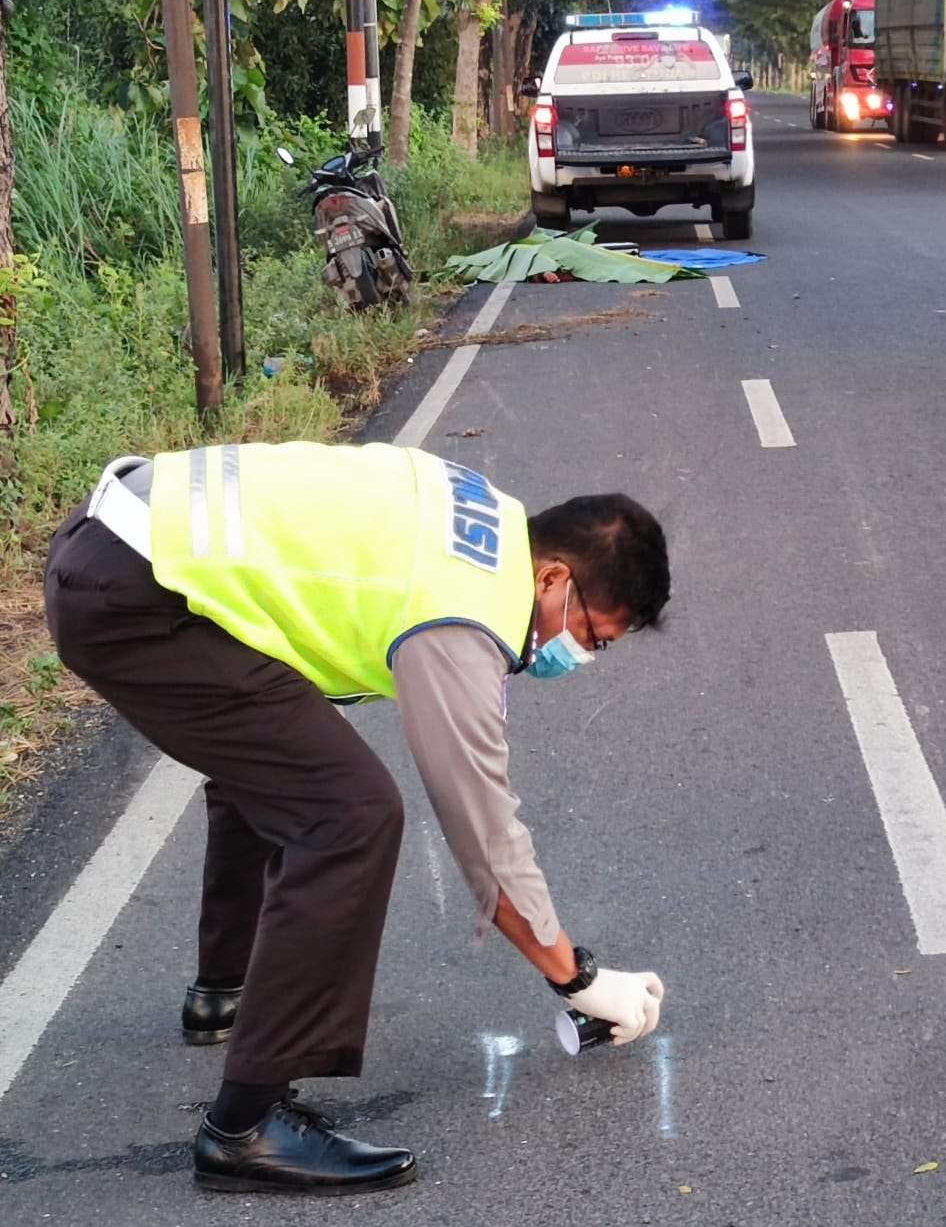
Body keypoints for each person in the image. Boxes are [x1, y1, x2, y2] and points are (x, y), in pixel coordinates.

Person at [42, 440, 671, 1197]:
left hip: (121, 541)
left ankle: (227, 989)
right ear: (554, 576)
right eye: (590, 633)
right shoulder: (465, 611)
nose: (578, 654)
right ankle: (245, 1126)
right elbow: (484, 831)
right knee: (352, 814)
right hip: (134, 598)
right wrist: (578, 978)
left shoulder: (487, 516)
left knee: (283, 757)